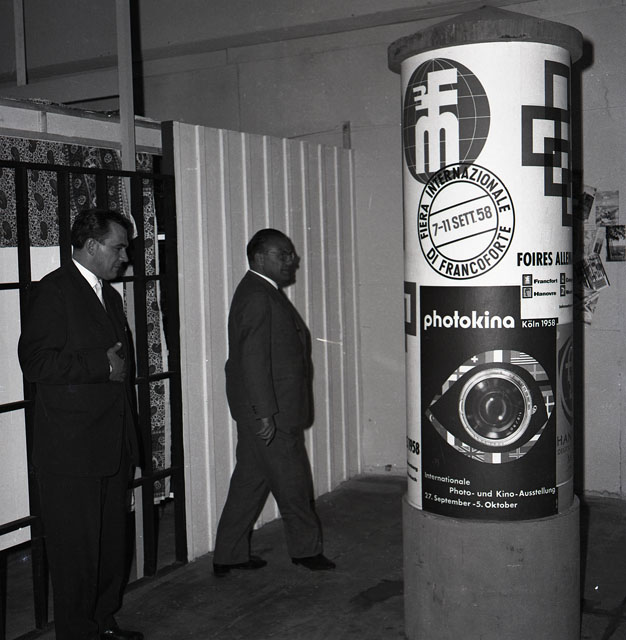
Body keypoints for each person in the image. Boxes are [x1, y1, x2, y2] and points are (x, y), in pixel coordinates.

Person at [18, 208, 143, 640]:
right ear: (91, 246)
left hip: (110, 445)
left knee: (110, 548)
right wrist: (98, 365)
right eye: (118, 248)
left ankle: (103, 622)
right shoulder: (53, 291)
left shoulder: (110, 296)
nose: (125, 257)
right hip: (71, 452)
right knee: (76, 556)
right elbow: (35, 362)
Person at [212, 228, 335, 576]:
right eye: (283, 254)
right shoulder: (257, 295)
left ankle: (229, 554)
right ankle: (306, 550)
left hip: (267, 408)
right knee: (293, 481)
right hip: (270, 411)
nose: (291, 260)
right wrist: (264, 412)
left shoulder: (261, 291)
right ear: (259, 258)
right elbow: (252, 360)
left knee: (250, 481)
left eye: (290, 254)